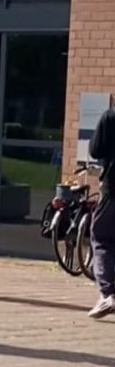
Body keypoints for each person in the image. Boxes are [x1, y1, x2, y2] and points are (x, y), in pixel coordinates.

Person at [87, 107, 115, 318]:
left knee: (102, 238)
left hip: (114, 188)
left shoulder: (110, 116)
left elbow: (96, 150)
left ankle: (107, 294)